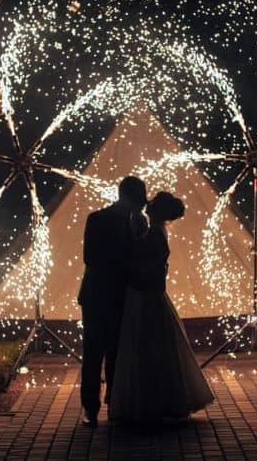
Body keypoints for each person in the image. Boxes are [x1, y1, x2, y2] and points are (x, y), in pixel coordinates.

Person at [110, 191, 214, 425]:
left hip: (145, 296)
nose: (147, 203)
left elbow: (146, 266)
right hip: (148, 295)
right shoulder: (154, 231)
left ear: (157, 210)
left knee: (147, 348)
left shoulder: (154, 234)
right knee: (156, 349)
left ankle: (151, 402)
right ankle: (160, 401)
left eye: (152, 202)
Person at [78, 176, 148, 426]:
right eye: (140, 200)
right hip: (98, 295)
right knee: (94, 352)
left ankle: (114, 402)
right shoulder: (97, 219)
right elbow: (90, 257)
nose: (142, 206)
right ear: (127, 197)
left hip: (122, 294)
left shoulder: (139, 221)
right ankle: (90, 407)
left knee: (118, 352)